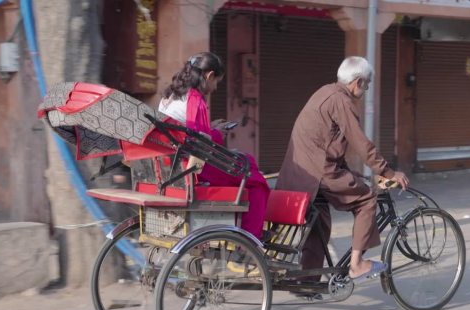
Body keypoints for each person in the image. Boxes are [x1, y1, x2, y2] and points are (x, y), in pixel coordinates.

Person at [276, 56, 409, 282]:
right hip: (319, 173)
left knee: (320, 221)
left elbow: (330, 145)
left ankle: (306, 281)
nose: (366, 89)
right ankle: (356, 265)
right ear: (357, 82)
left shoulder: (324, 92)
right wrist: (388, 171)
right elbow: (361, 143)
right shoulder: (342, 101)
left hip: (302, 174)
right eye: (366, 84)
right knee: (367, 199)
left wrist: (354, 174)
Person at [158, 52, 270, 240]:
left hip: (173, 165)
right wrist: (217, 134)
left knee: (246, 161)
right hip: (191, 169)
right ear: (209, 76)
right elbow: (200, 146)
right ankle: (249, 239)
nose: (215, 87)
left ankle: (245, 229)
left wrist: (212, 130)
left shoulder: (171, 95)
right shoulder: (195, 99)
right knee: (256, 181)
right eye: (216, 81)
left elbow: (189, 133)